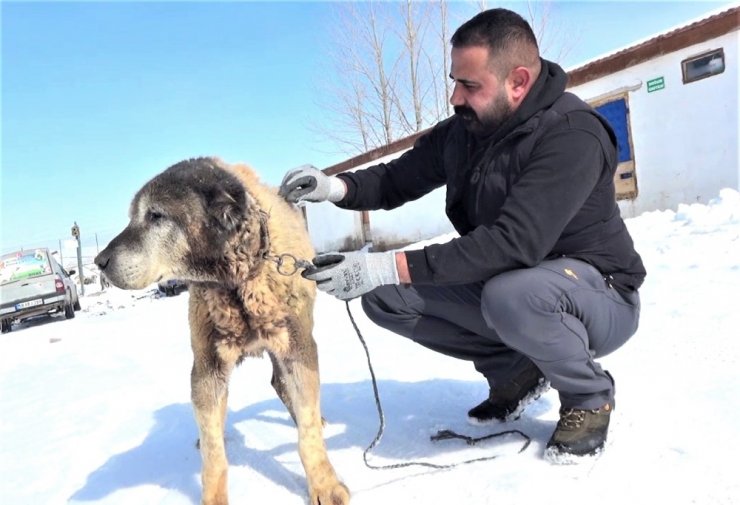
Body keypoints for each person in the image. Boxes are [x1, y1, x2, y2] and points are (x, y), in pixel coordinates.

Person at [279, 8, 645, 463]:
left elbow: (512, 244)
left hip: (600, 294)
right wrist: (335, 187)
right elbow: (398, 178)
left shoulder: (571, 134)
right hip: (516, 282)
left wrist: (380, 263)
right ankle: (514, 369)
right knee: (387, 297)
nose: (455, 96)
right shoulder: (466, 131)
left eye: (470, 85)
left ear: (518, 81)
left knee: (510, 294)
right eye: (454, 81)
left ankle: (589, 397)